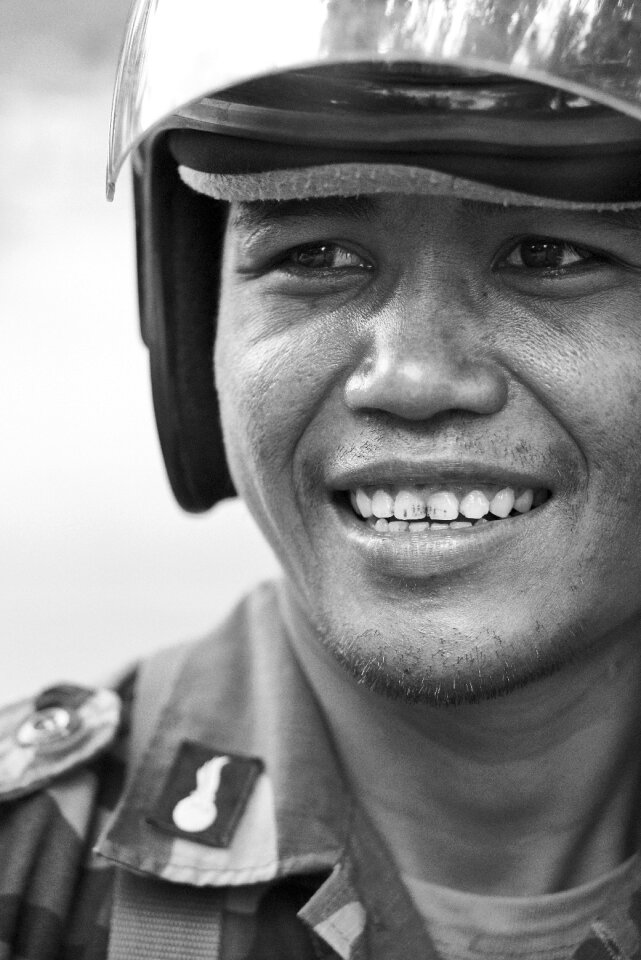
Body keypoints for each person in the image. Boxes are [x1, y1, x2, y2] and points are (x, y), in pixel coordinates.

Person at [4, 0, 641, 957]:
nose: (413, 379)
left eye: (549, 256)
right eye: (317, 256)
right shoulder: (26, 875)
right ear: (196, 334)